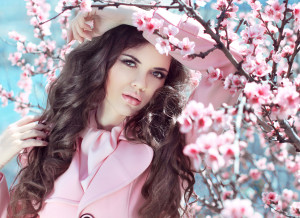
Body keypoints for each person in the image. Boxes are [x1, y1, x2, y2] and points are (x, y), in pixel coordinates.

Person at [0, 5, 241, 218]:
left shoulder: (173, 144)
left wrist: (133, 17)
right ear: (103, 62)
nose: (140, 83)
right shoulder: (50, 141)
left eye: (157, 73)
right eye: (129, 62)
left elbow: (231, 62)